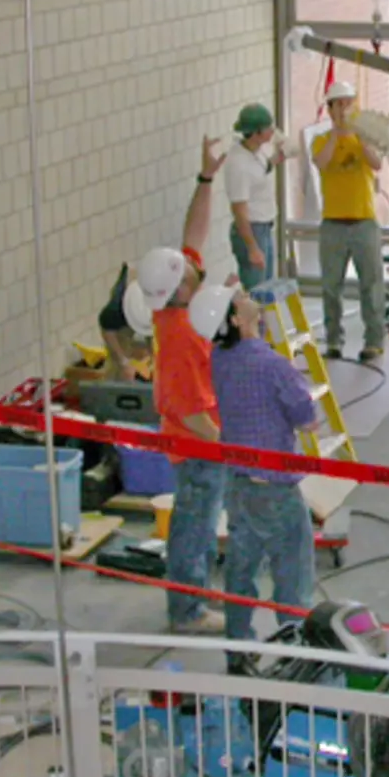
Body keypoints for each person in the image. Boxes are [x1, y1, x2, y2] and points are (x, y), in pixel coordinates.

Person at [189, 284, 320, 650]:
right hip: (275, 487)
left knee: (241, 569)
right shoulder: (272, 365)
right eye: (239, 300)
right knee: (292, 573)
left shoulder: (220, 358)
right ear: (235, 319)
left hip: (239, 482)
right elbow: (308, 420)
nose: (245, 296)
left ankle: (239, 648)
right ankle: (297, 652)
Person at [139, 136, 233, 635]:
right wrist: (233, 448)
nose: (196, 266)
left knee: (199, 519)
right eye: (189, 271)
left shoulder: (182, 293)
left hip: (202, 435)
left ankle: (196, 598)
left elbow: (191, 232)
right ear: (179, 291)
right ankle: (187, 612)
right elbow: (194, 412)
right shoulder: (178, 336)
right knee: (194, 523)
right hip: (197, 445)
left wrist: (206, 177)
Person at [310, 81, 388, 364]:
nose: (343, 109)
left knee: (371, 283)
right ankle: (333, 339)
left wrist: (358, 135)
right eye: (338, 104)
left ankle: (374, 341)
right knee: (331, 286)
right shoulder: (320, 140)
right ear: (329, 109)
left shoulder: (365, 138)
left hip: (364, 221)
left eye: (348, 103)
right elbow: (321, 162)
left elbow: (377, 163)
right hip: (333, 223)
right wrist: (336, 134)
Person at [223, 103, 297, 292]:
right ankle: (254, 322)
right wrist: (253, 248)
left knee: (267, 287)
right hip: (252, 231)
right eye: (267, 128)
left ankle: (265, 321)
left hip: (264, 227)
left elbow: (263, 168)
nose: (272, 131)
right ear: (256, 133)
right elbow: (239, 211)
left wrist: (281, 156)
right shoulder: (239, 164)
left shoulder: (254, 152)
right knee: (257, 290)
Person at [96, 263, 153, 380]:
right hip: (117, 321)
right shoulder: (114, 311)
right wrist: (123, 361)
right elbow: (107, 332)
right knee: (118, 363)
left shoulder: (156, 300)